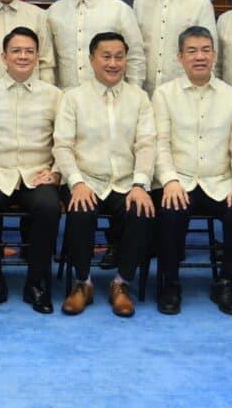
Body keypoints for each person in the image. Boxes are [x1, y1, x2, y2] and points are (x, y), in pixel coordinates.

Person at [152, 26, 232, 316]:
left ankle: (226, 282)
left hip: (221, 181)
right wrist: (169, 180)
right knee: (171, 211)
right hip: (180, 179)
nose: (200, 57)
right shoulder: (163, 94)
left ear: (214, 54)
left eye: (205, 50)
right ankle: (170, 283)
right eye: (192, 51)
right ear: (180, 57)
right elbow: (159, 145)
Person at [54, 32, 155, 317]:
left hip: (124, 181)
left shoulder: (139, 98)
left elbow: (147, 144)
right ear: (91, 60)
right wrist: (76, 183)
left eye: (119, 57)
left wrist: (139, 184)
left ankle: (121, 283)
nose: (113, 63)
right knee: (81, 210)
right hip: (85, 178)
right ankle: (82, 282)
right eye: (106, 56)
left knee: (141, 211)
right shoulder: (73, 98)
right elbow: (62, 146)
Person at [0, 27, 63, 314]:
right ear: (3, 56)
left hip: (38, 174)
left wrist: (57, 172)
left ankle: (35, 284)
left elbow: (66, 140)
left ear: (38, 57)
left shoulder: (55, 96)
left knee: (49, 207)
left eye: (29, 51)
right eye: (16, 51)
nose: (23, 56)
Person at [46, 0, 145, 89]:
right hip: (67, 100)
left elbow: (135, 57)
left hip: (111, 101)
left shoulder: (120, 10)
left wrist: (135, 93)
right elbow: (49, 62)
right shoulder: (53, 12)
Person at [133, 0, 217, 94]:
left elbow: (209, 53)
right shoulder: (140, 3)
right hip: (145, 93)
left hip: (185, 93)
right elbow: (135, 51)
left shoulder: (201, 4)